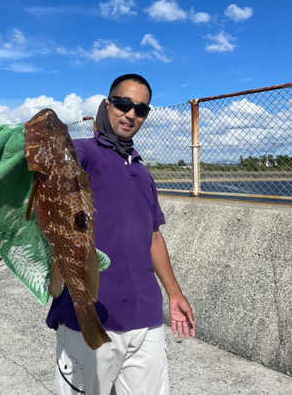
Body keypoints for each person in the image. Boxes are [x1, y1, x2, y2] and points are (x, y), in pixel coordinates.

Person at [46, 74, 195, 395]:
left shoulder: (143, 172)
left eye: (141, 110)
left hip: (146, 316)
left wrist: (174, 293)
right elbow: (49, 164)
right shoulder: (82, 152)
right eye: (124, 104)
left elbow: (153, 237)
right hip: (86, 314)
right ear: (107, 105)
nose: (131, 114)